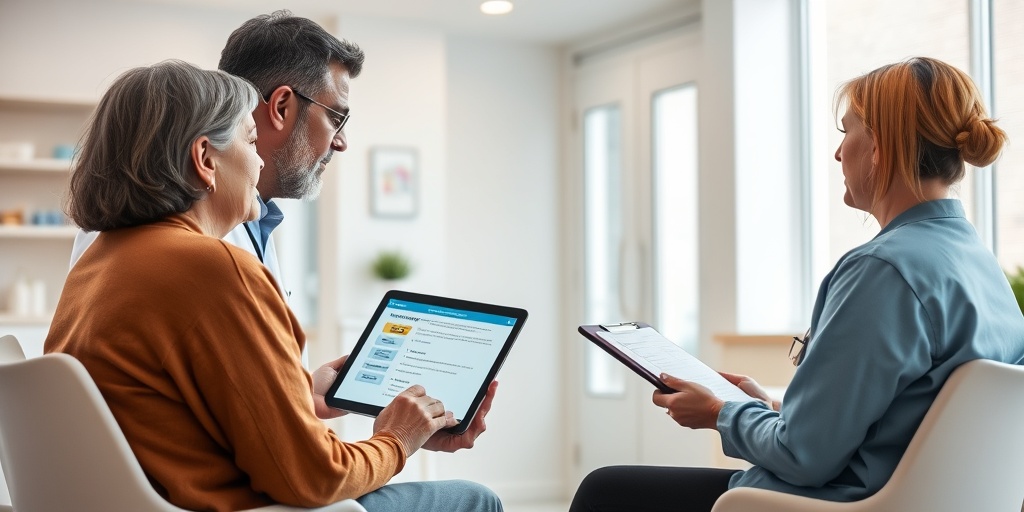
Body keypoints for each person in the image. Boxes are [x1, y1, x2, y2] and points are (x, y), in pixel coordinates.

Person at [62, 11, 502, 511]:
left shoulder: (100, 262)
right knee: (475, 499)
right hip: (240, 503)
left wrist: (300, 392)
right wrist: (397, 440)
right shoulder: (211, 266)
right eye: (249, 142)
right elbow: (310, 478)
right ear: (206, 160)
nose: (255, 162)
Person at [569, 56, 1024, 512]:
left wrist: (719, 413)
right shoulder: (980, 267)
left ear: (880, 146)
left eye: (847, 132)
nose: (838, 152)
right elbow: (882, 427)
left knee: (605, 490)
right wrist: (765, 409)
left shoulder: (884, 270)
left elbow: (804, 458)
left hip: (833, 502)